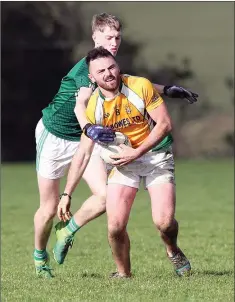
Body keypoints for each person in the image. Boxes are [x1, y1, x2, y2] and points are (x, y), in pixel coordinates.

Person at [34, 13, 197, 278]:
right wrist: (88, 126)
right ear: (95, 37)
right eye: (108, 37)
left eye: (118, 37)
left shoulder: (108, 68)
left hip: (103, 139)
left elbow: (127, 81)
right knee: (50, 208)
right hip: (57, 133)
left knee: (112, 201)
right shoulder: (85, 71)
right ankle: (40, 258)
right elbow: (81, 103)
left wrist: (166, 89)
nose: (114, 42)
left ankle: (69, 230)